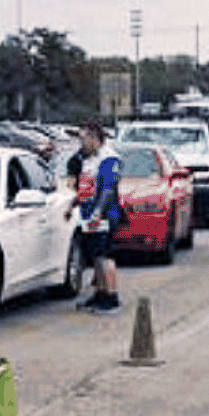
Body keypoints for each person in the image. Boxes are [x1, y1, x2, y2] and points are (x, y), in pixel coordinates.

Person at [72, 120, 122, 313]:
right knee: (96, 256)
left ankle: (111, 296)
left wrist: (97, 213)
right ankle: (100, 294)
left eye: (84, 139)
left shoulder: (109, 159)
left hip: (104, 216)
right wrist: (74, 203)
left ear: (95, 139)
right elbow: (87, 187)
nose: (81, 143)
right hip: (89, 216)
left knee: (105, 256)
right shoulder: (88, 159)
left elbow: (108, 190)